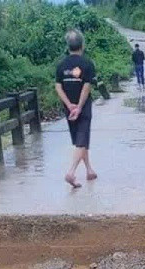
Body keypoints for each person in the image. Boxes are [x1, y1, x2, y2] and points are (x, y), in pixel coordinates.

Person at [55, 30, 97, 188]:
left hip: (69, 109)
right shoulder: (87, 64)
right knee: (82, 140)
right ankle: (71, 172)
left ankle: (89, 170)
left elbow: (58, 87)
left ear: (68, 46)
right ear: (82, 45)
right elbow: (86, 86)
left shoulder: (61, 65)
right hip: (83, 108)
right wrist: (79, 107)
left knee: (80, 141)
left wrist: (69, 105)